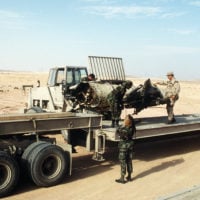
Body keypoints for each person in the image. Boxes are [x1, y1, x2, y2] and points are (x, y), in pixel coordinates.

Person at [115, 114, 136, 184]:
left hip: (124, 147)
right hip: (130, 146)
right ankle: (129, 176)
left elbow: (118, 131)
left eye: (125, 119)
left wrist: (120, 127)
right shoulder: (132, 127)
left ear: (127, 121)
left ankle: (122, 178)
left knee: (123, 162)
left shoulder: (124, 129)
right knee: (129, 161)